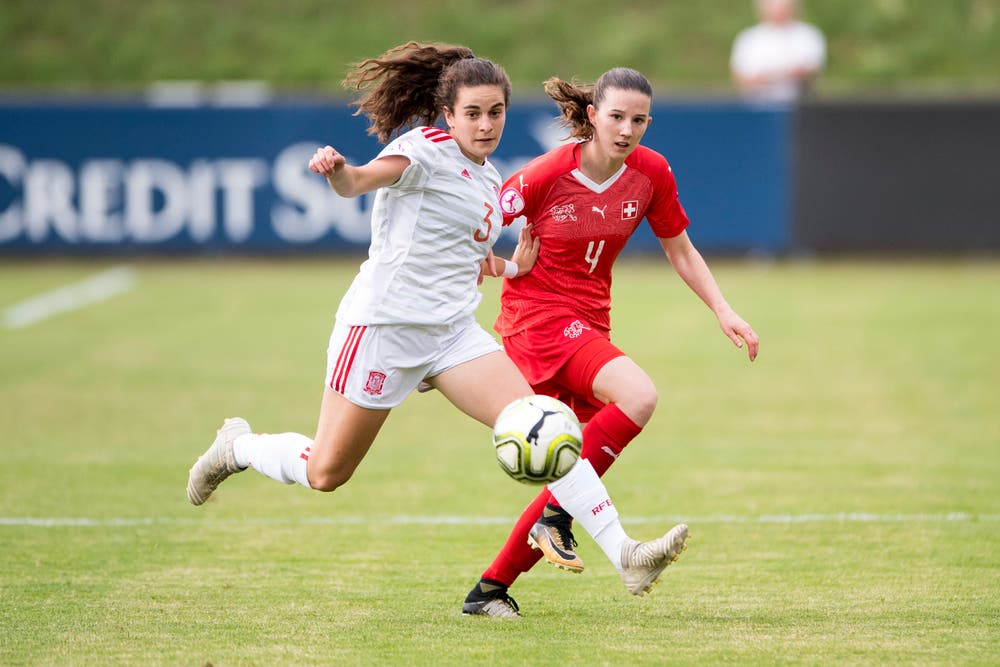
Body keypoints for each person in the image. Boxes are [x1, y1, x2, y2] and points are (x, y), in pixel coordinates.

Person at [185, 43, 688, 617]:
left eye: (495, 111)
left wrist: (512, 267)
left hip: (451, 334)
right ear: (447, 115)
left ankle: (626, 553)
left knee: (544, 425)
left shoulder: (488, 180)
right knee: (327, 472)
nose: (485, 123)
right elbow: (361, 182)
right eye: (472, 112)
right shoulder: (424, 152)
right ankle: (239, 446)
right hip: (383, 329)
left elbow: (469, 257)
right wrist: (339, 172)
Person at [461, 67, 759, 617]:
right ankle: (566, 525)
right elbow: (468, 228)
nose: (627, 130)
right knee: (639, 395)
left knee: (572, 467)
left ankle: (489, 591)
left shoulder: (650, 173)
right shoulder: (546, 173)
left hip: (588, 324)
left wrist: (724, 309)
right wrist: (503, 268)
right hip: (539, 323)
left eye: (639, 120)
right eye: (616, 116)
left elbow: (681, 250)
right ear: (592, 115)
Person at [730, 0, 826, 103]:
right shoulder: (748, 38)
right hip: (757, 105)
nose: (779, 10)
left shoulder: (808, 35)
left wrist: (769, 77)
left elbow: (811, 72)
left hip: (799, 105)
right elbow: (741, 78)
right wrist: (783, 75)